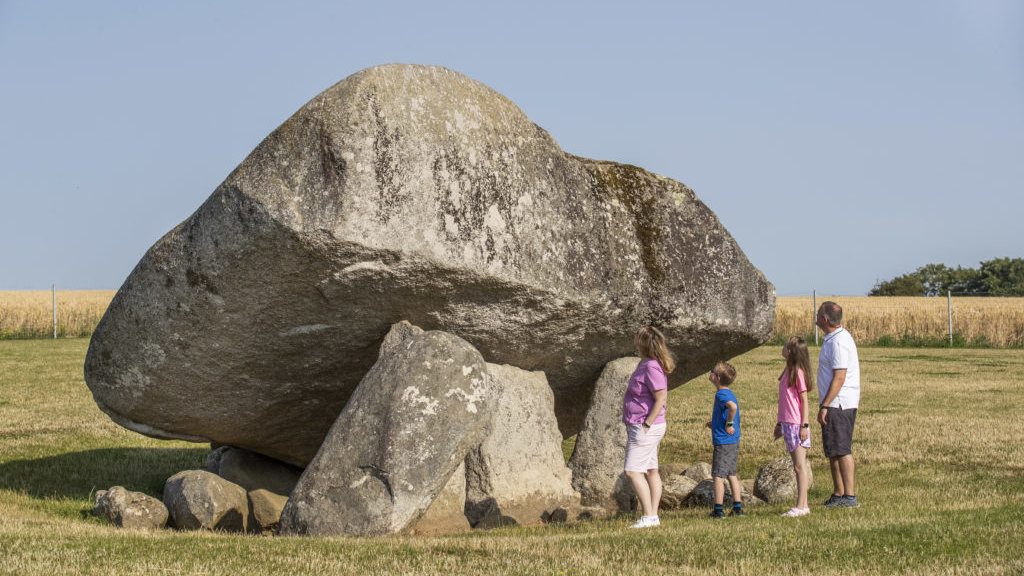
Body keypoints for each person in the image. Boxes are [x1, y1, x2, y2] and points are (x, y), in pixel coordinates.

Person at [622, 326, 675, 529]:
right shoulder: (644, 363)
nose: (633, 335)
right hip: (641, 424)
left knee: (633, 471)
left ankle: (648, 515)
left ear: (643, 341)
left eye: (637, 333)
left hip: (645, 425)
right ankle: (653, 516)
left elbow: (661, 397)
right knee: (651, 470)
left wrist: (646, 424)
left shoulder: (651, 366)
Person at [816, 301, 861, 508]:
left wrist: (826, 404)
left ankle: (849, 496)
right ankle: (838, 492)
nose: (815, 317)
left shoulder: (839, 342)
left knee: (842, 449)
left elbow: (840, 376)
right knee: (832, 449)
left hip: (839, 403)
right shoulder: (831, 339)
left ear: (825, 319)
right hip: (834, 403)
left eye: (817, 314)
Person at [774, 336, 813, 517]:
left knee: (799, 466)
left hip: (796, 424)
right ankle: (803, 505)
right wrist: (779, 424)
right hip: (788, 423)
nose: (782, 349)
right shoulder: (787, 371)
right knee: (797, 465)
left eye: (785, 347)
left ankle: (801, 506)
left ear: (790, 352)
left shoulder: (797, 373)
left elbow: (804, 400)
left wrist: (804, 425)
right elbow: (784, 402)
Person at [705, 361, 743, 518]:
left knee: (718, 476)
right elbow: (727, 410)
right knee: (731, 474)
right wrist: (715, 423)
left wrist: (728, 424)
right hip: (732, 440)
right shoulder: (729, 392)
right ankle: (737, 507)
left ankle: (718, 510)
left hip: (723, 441)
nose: (711, 372)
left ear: (718, 378)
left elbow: (732, 407)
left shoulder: (721, 394)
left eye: (713, 371)